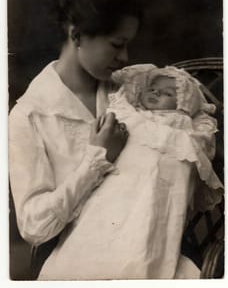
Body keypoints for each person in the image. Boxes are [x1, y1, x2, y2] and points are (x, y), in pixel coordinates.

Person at [9, 0, 143, 279]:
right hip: (76, 260)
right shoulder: (29, 116)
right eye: (117, 45)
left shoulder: (127, 92)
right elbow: (34, 225)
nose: (125, 57)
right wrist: (96, 161)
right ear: (78, 34)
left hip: (140, 242)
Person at [36, 65, 223, 279]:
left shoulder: (182, 126)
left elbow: (191, 158)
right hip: (119, 187)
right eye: (152, 88)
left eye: (169, 93)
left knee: (144, 228)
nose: (157, 93)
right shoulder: (128, 116)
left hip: (156, 188)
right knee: (97, 227)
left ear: (183, 105)